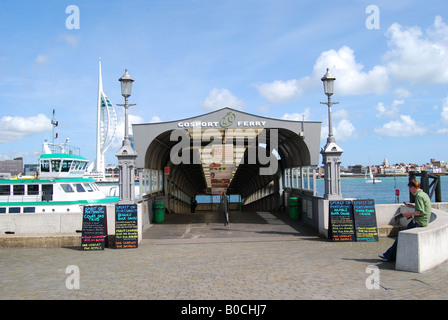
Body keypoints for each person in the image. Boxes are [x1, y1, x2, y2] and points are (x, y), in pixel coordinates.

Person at [379, 179, 432, 262]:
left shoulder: (418, 196)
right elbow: (422, 208)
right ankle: (388, 255)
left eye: (410, 189)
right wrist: (412, 206)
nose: (410, 191)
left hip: (419, 222)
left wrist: (406, 214)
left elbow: (420, 212)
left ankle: (388, 256)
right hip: (423, 221)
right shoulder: (424, 194)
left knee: (400, 237)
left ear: (413, 187)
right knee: (400, 237)